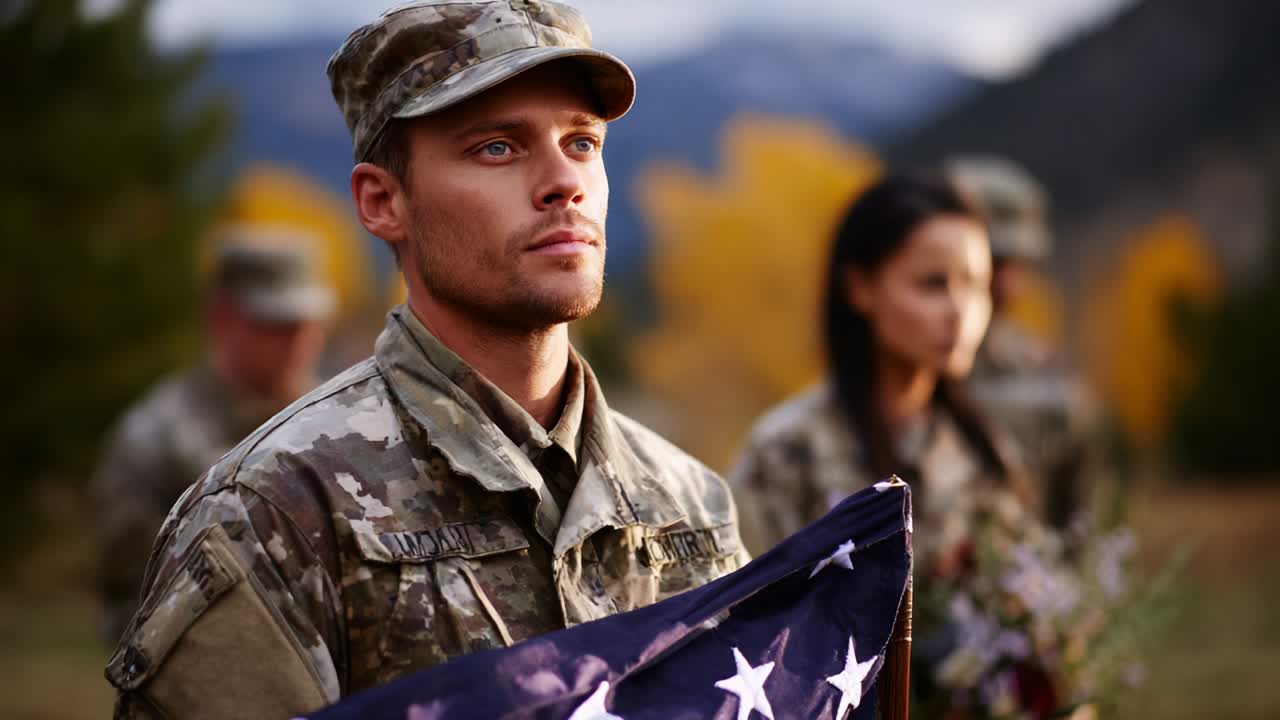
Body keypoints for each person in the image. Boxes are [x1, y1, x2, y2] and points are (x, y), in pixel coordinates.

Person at [105, 3, 748, 718]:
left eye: (582, 143)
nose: (563, 182)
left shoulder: (691, 503)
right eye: (497, 148)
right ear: (384, 201)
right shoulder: (274, 512)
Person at [727, 174, 1027, 570]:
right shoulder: (788, 453)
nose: (960, 312)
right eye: (932, 284)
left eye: (976, 285)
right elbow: (739, 609)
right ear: (860, 288)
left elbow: (1024, 601)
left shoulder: (981, 448)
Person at [92, 232, 335, 645]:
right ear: (222, 316)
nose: (298, 339)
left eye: (308, 321)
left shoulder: (339, 419)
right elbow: (132, 592)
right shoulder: (156, 435)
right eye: (274, 322)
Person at [946, 156, 1102, 528]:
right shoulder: (892, 369)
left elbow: (1081, 525)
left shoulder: (1048, 375)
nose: (1002, 284)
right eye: (990, 260)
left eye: (1015, 264)